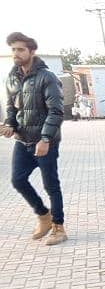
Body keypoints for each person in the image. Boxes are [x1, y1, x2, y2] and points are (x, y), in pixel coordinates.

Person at [1, 32, 66, 245]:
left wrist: (45, 139)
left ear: (31, 51)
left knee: (51, 186)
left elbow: (56, 111)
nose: (16, 54)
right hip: (23, 141)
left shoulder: (47, 77)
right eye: (13, 50)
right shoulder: (11, 78)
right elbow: (12, 109)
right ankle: (43, 215)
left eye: (20, 49)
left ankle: (59, 227)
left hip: (45, 142)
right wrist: (10, 125)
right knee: (18, 180)